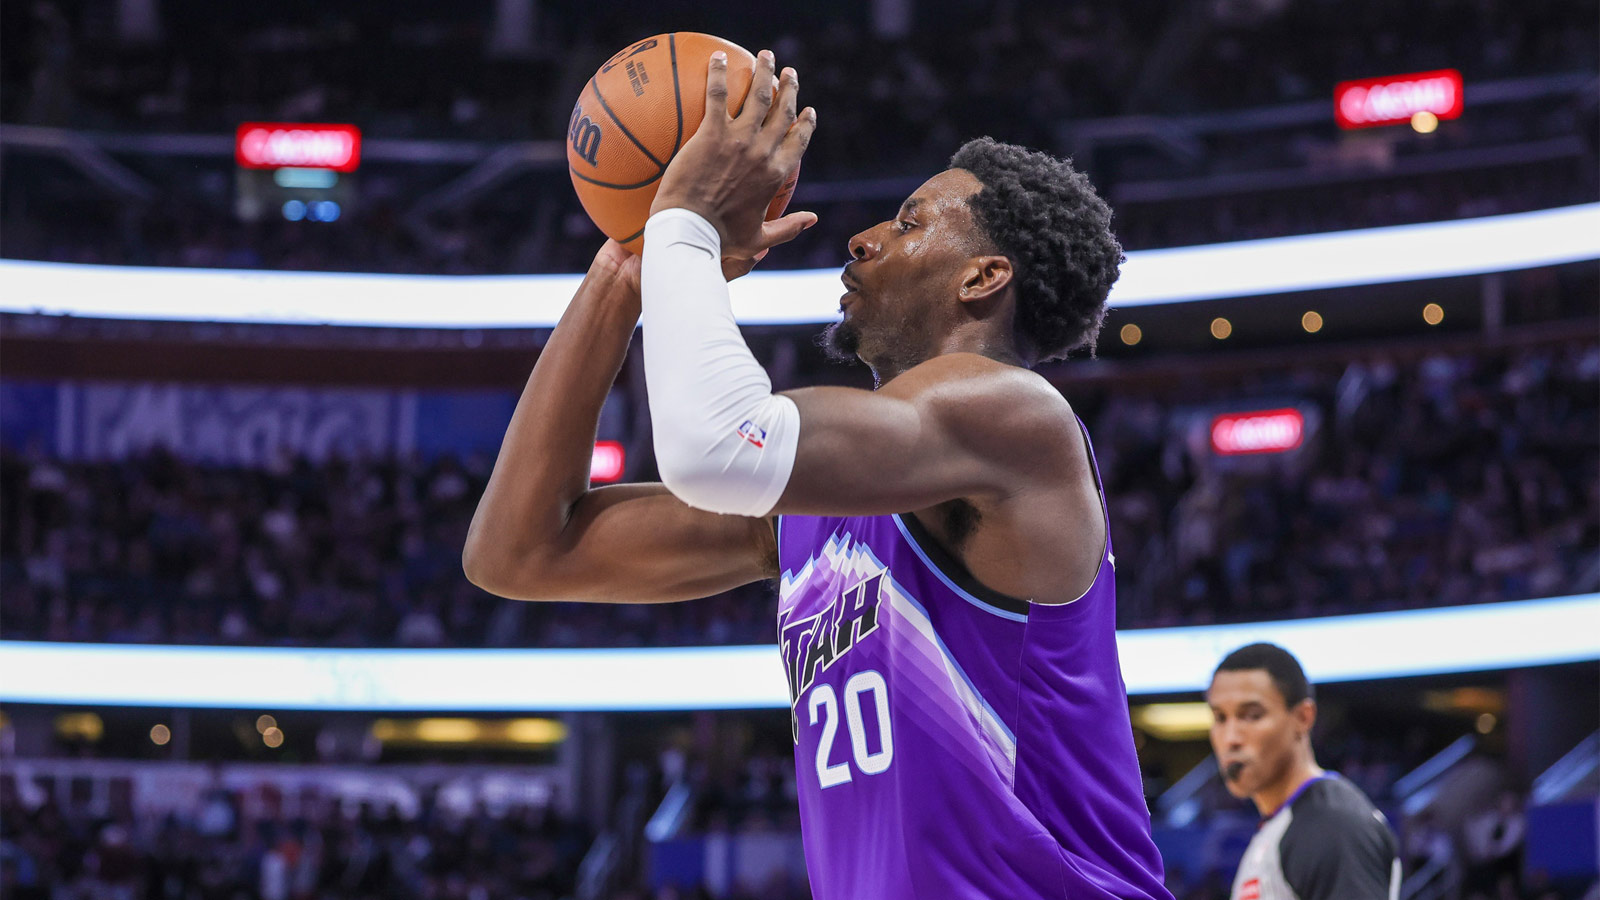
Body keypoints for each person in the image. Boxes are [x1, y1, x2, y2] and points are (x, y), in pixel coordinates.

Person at [465, 48, 1168, 899]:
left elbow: (719, 443)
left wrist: (684, 221)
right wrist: (628, 270)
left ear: (985, 278)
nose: (863, 237)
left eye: (910, 223)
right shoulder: (816, 505)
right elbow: (519, 553)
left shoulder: (1017, 419)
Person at [1207, 643, 1400, 900]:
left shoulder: (1334, 825)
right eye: (1220, 718)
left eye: (1251, 715)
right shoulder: (1283, 825)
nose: (1231, 738)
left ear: (1303, 718)